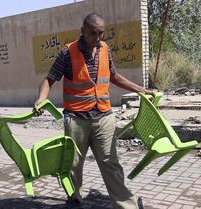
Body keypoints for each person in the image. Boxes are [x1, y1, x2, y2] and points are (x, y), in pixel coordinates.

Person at [33, 13, 154, 209]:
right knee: (73, 166)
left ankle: (127, 206)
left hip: (103, 117)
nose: (97, 38)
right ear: (83, 31)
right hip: (76, 120)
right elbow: (49, 79)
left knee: (111, 164)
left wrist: (141, 89)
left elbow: (114, 76)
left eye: (101, 34)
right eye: (92, 33)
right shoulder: (67, 53)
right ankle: (74, 200)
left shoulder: (105, 49)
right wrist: (41, 99)